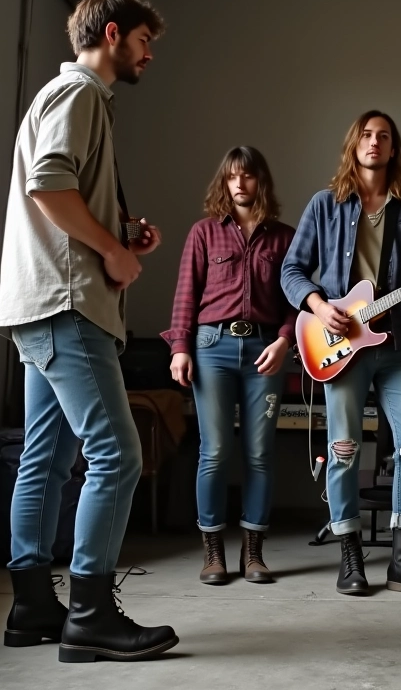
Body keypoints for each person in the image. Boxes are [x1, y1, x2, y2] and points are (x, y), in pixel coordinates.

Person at [0, 0, 178, 662]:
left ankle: (31, 607)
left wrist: (121, 232)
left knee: (46, 457)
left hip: (41, 303)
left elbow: (61, 191)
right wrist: (110, 250)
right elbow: (48, 184)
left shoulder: (66, 96)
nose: (149, 55)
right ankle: (91, 615)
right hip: (68, 305)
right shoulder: (80, 94)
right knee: (118, 455)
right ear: (112, 33)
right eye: (144, 41)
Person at [280, 110, 401, 596]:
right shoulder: (324, 205)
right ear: (355, 145)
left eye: (384, 137)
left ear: (393, 150)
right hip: (341, 345)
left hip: (400, 341)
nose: (375, 142)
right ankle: (350, 557)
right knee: (344, 449)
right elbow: (292, 270)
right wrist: (319, 305)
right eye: (367, 135)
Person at [161, 146, 296, 585]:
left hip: (265, 351)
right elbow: (186, 293)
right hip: (211, 348)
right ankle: (213, 553)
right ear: (224, 181)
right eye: (232, 176)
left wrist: (285, 339)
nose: (240, 183)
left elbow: (298, 298)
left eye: (248, 175)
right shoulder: (203, 233)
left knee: (259, 453)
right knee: (214, 450)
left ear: (261, 181)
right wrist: (180, 348)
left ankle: (253, 553)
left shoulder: (285, 238)